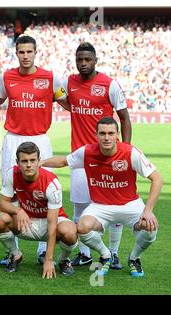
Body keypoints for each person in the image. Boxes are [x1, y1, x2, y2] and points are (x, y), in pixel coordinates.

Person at [43, 117, 162, 277]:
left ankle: (134, 258)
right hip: (100, 206)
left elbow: (157, 178)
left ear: (117, 134)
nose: (106, 137)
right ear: (96, 135)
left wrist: (148, 210)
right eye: (103, 133)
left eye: (111, 133)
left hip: (130, 204)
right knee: (82, 226)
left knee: (151, 226)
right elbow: (63, 161)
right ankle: (106, 255)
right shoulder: (87, 152)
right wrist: (39, 162)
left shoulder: (130, 152)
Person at [0, 35, 68, 264]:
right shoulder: (7, 77)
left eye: (29, 52)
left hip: (40, 139)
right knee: (12, 189)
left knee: (43, 191)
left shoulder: (50, 77)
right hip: (13, 139)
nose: (25, 56)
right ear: (16, 53)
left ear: (36, 52)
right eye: (21, 52)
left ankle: (41, 250)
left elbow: (68, 102)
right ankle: (13, 251)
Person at [62, 42, 132, 268]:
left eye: (87, 59)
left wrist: (125, 151)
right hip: (81, 158)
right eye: (79, 59)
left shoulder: (109, 84)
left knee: (115, 208)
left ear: (95, 60)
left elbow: (124, 117)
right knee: (81, 208)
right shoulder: (69, 82)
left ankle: (113, 253)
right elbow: (62, 99)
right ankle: (85, 254)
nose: (83, 63)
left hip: (108, 158)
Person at [0, 142, 78, 277]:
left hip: (50, 223)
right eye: (24, 161)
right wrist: (18, 211)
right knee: (0, 220)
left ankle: (63, 260)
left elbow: (52, 224)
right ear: (17, 162)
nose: (28, 165)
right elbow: (2, 204)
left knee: (70, 232)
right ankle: (15, 255)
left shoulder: (52, 183)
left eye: (32, 160)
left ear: (39, 161)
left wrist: (48, 259)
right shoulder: (12, 173)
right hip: (27, 221)